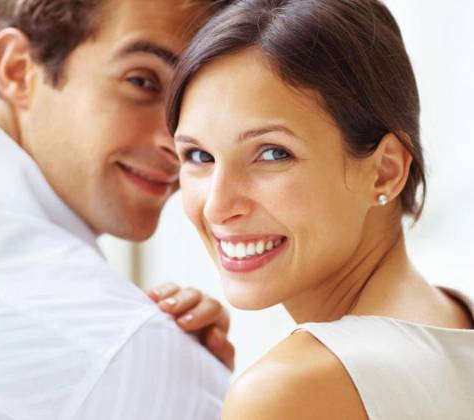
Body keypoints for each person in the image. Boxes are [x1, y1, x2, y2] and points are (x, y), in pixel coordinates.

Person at [0, 0, 234, 419]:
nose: (178, 142)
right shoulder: (131, 347)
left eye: (195, 101)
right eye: (143, 82)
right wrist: (183, 374)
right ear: (18, 68)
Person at [166, 0, 474, 418]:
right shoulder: (456, 324)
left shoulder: (288, 389)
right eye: (199, 156)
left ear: (385, 171)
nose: (218, 206)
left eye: (273, 153)